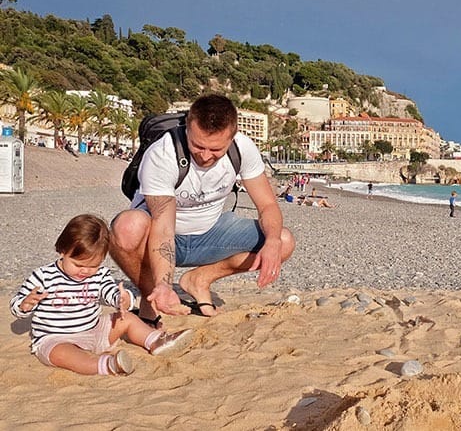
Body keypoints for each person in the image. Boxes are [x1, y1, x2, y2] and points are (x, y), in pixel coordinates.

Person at [109, 94, 296, 325]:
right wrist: (164, 285)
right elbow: (164, 226)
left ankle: (199, 280)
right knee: (127, 227)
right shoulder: (163, 153)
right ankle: (151, 299)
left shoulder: (243, 148)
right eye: (198, 146)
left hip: (210, 233)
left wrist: (273, 242)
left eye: (216, 149)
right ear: (188, 128)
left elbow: (267, 205)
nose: (206, 156)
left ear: (232, 136)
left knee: (283, 240)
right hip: (159, 237)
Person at [9, 214, 194, 376]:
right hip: (57, 337)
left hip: (94, 330)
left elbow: (109, 291)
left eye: (93, 265)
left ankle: (156, 341)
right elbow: (16, 307)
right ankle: (106, 365)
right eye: (79, 265)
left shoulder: (99, 275)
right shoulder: (43, 276)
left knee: (127, 319)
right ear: (62, 251)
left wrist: (123, 299)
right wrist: (25, 304)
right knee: (61, 353)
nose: (85, 271)